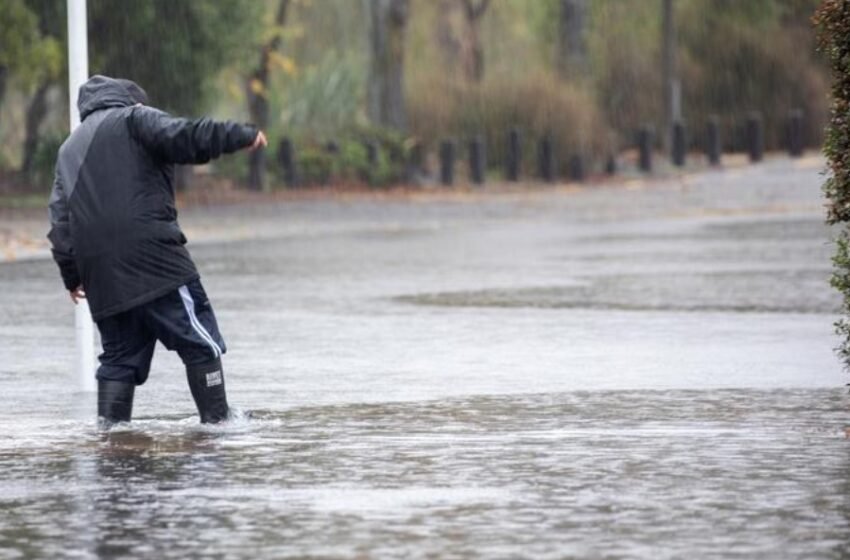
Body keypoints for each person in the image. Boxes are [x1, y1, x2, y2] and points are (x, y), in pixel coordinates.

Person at [47, 75, 267, 427]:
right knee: (200, 341)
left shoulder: (68, 150)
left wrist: (72, 274)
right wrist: (238, 135)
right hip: (155, 261)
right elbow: (185, 135)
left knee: (119, 358)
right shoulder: (136, 119)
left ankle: (112, 439)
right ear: (133, 101)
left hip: (101, 276)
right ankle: (219, 424)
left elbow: (60, 219)